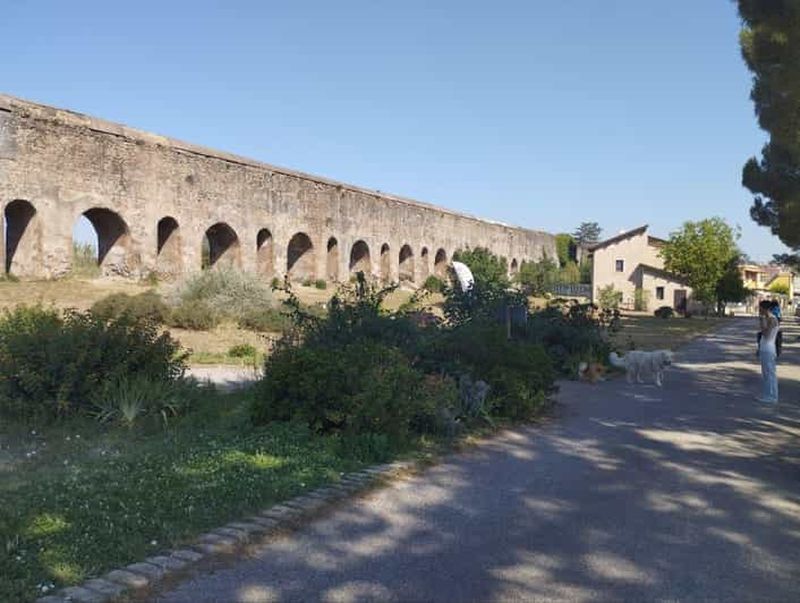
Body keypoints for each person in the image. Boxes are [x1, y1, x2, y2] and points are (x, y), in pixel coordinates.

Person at [757, 300, 780, 404]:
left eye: (760, 308)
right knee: (766, 373)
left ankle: (772, 396)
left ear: (765, 309)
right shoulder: (768, 319)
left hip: (769, 349)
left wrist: (762, 321)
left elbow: (766, 334)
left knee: (770, 374)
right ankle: (768, 395)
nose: (759, 310)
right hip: (764, 348)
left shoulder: (772, 319)